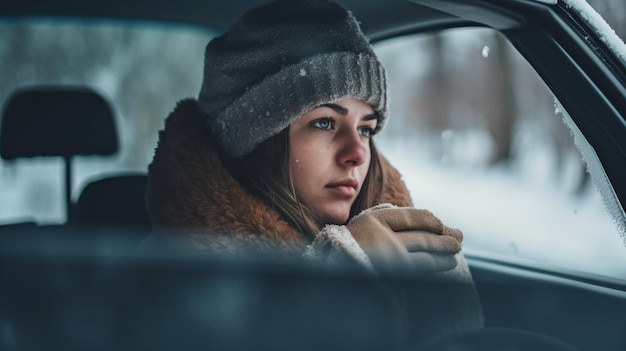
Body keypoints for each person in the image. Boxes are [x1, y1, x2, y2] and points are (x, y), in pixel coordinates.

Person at [144, 0, 483, 347]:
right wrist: (337, 285)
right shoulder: (167, 277)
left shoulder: (393, 244)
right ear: (253, 141)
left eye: (365, 129)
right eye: (324, 122)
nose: (357, 153)